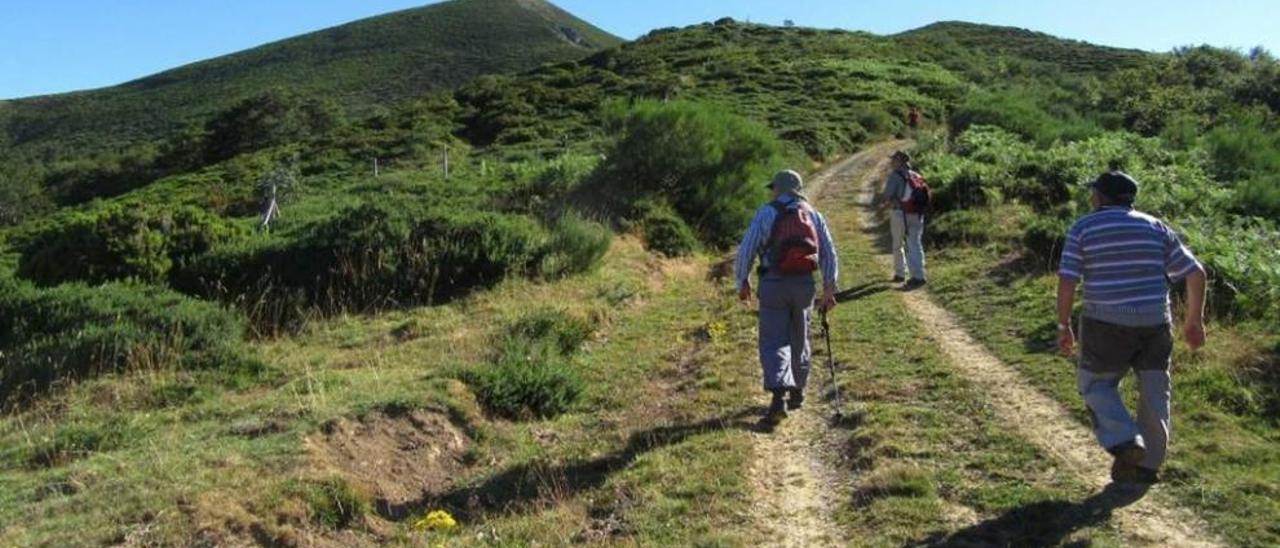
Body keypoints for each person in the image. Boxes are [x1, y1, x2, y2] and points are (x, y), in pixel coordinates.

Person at [1056, 171, 1207, 484]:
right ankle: (1148, 466)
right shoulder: (1154, 226)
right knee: (1155, 389)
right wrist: (1194, 321)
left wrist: (1063, 324)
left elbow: (1068, 279)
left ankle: (1125, 441)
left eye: (1093, 192)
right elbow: (1196, 273)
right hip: (1155, 321)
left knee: (1096, 385)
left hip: (1105, 321)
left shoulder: (1083, 226)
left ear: (1101, 197)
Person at [735, 170, 839, 423]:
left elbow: (747, 248)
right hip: (804, 284)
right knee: (799, 335)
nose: (771, 192)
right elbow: (828, 252)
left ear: (779, 189)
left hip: (773, 282)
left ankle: (779, 394)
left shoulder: (766, 212)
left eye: (773, 188)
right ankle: (797, 390)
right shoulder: (813, 213)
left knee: (774, 339)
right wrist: (829, 288)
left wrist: (743, 280)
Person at [880, 150, 927, 288]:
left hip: (900, 213)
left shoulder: (895, 176)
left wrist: (887, 202)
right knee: (915, 243)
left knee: (898, 244)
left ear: (899, 161)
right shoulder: (916, 175)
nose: (891, 162)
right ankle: (919, 275)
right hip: (917, 214)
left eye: (893, 160)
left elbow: (887, 195)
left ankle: (900, 273)